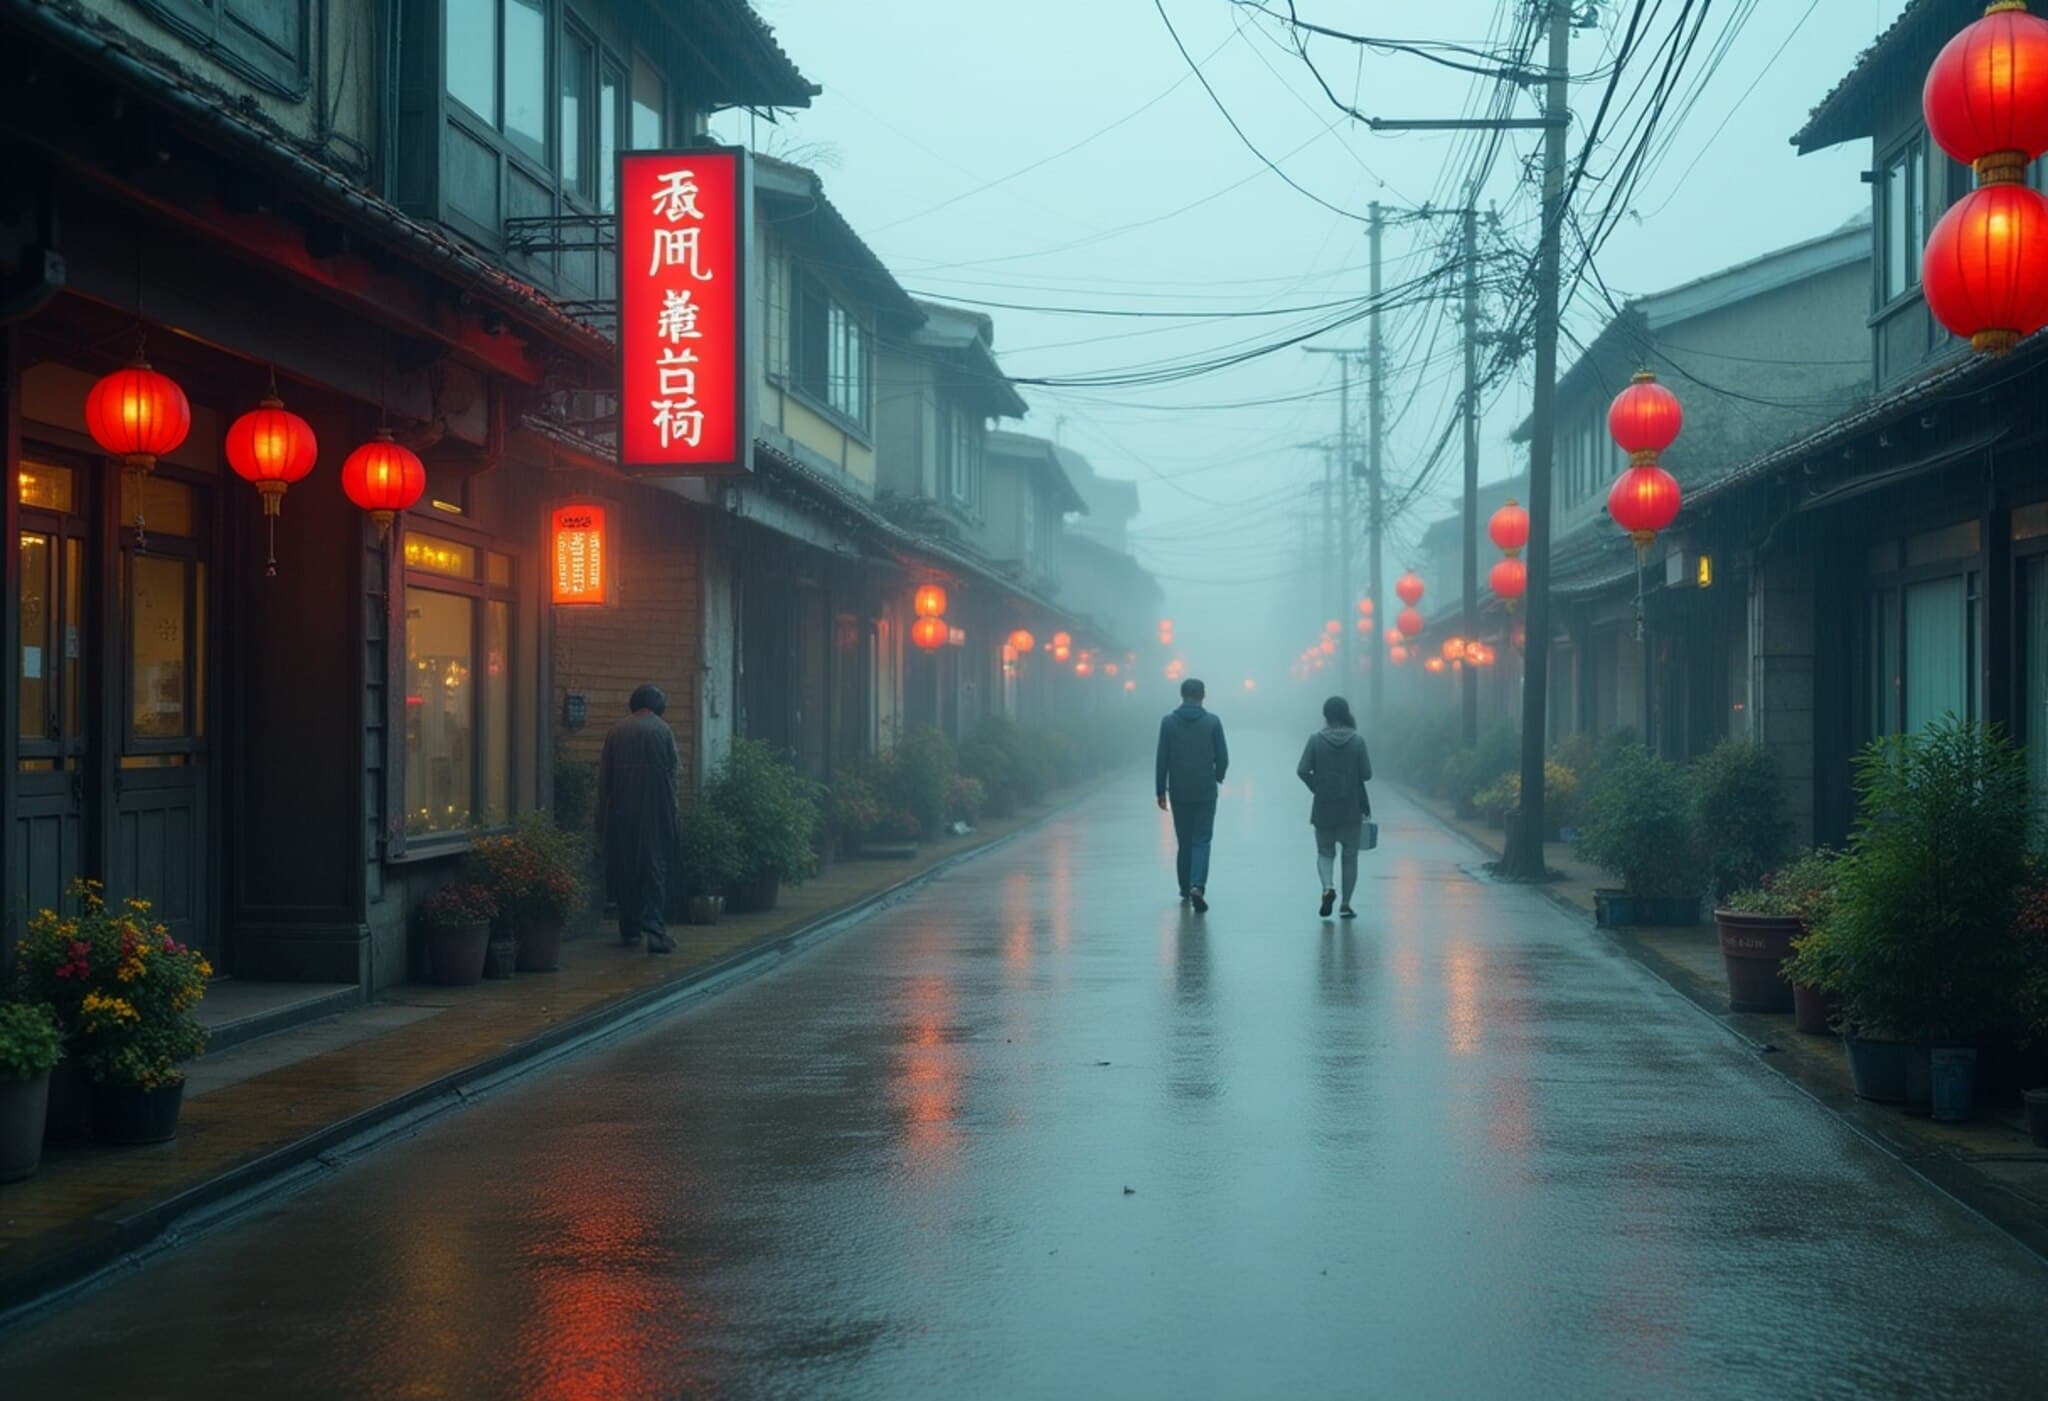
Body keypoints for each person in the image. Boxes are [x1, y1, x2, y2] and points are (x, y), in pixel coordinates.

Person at [597, 684, 684, 955]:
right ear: (658, 706)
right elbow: (672, 773)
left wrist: (602, 818)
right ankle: (655, 931)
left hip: (621, 812)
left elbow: (604, 780)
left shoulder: (616, 731)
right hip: (656, 811)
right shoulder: (662, 729)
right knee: (654, 868)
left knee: (625, 869)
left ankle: (630, 930)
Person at [1155, 677, 1229, 913]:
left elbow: (1162, 758)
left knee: (1184, 840)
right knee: (1202, 839)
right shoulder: (1212, 722)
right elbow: (1223, 757)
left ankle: (1185, 887)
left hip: (1179, 789)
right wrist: (1216, 776)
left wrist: (1160, 790)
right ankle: (1198, 885)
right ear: (1203, 696)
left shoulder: (1168, 723)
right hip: (1205, 790)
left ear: (1182, 694)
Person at [1297, 695, 1373, 920]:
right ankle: (1346, 904)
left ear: (1325, 715)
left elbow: (1302, 770)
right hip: (1351, 806)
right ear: (1346, 714)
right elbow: (1367, 774)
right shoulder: (1357, 741)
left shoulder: (1315, 740)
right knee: (1349, 856)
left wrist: (1318, 787)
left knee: (1325, 851)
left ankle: (1328, 887)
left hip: (1324, 806)